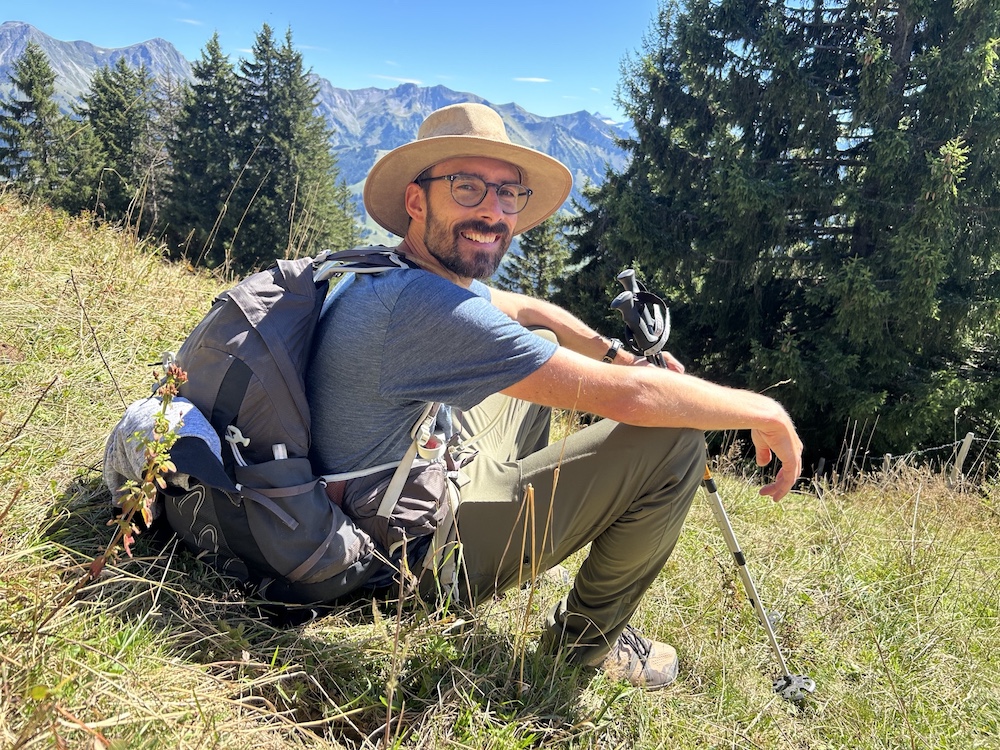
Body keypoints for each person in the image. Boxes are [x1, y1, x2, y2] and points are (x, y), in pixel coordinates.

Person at [306, 102, 802, 690]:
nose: (492, 211)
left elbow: (527, 310)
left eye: (507, 193)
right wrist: (766, 411)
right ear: (417, 201)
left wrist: (612, 352)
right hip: (405, 561)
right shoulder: (421, 307)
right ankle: (582, 648)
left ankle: (525, 540)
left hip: (397, 484)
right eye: (466, 187)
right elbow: (633, 401)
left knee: (538, 341)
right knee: (675, 439)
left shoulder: (395, 270)